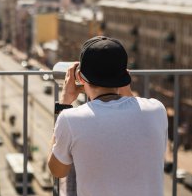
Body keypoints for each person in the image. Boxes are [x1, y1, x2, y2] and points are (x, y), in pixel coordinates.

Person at [48, 36, 168, 196]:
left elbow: (57, 170)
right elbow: (131, 104)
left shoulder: (70, 118)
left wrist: (64, 102)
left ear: (79, 77)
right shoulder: (157, 110)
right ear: (125, 74)